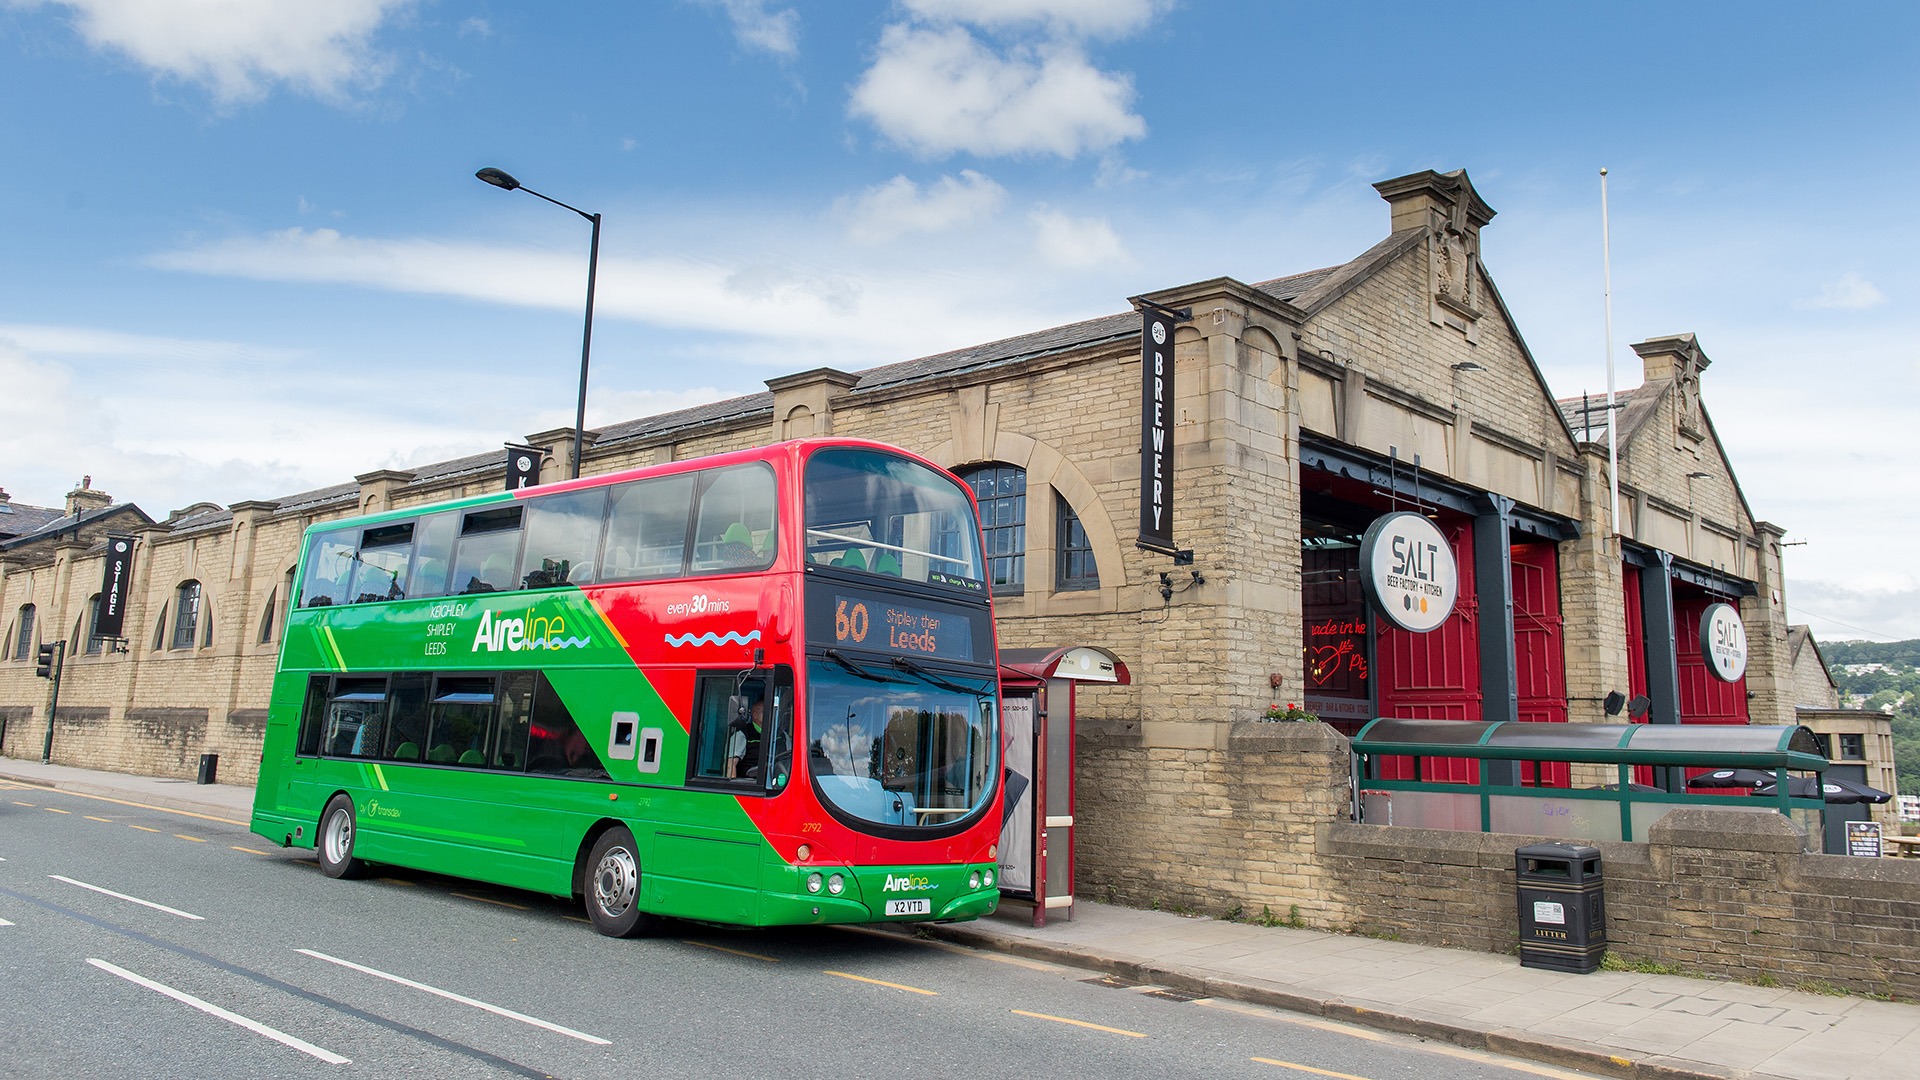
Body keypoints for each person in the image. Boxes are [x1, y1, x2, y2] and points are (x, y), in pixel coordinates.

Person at [726, 695, 764, 779]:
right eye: (765, 712)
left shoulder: (781, 735)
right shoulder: (742, 734)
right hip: (750, 783)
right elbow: (730, 764)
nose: (770, 715)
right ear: (755, 715)